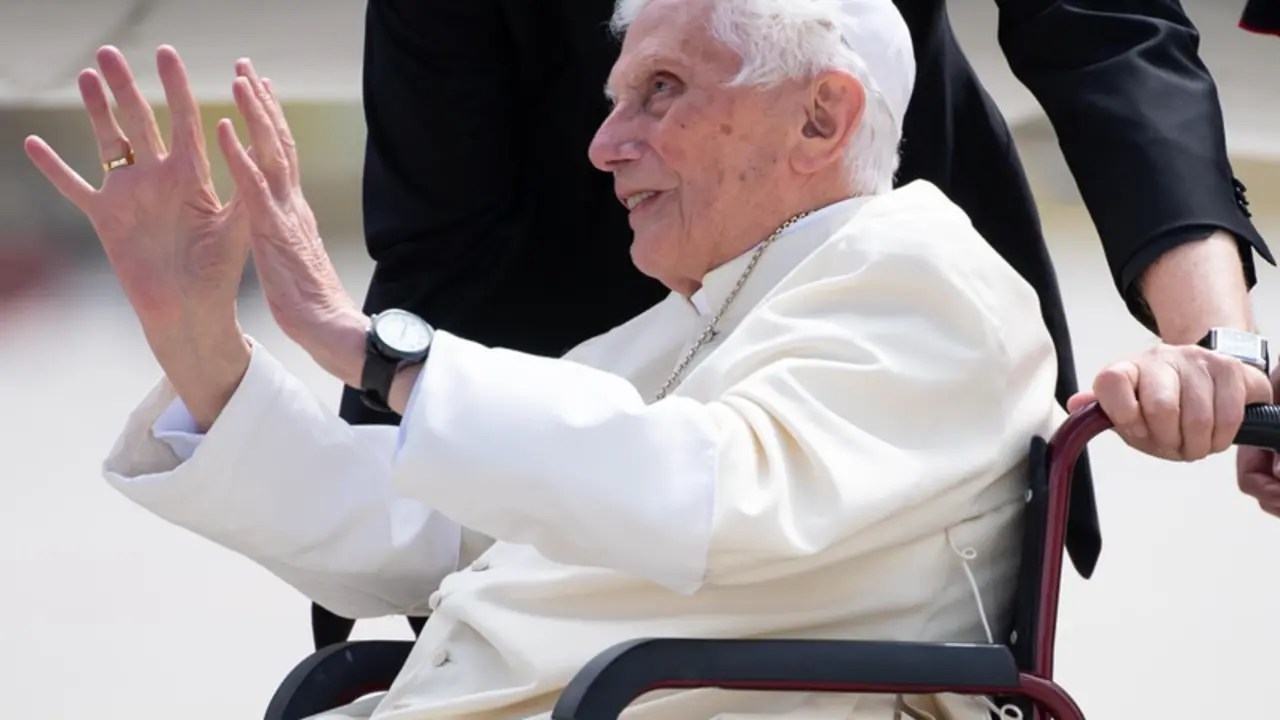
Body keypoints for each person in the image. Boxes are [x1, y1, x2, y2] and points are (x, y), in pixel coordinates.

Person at [32, 1, 1072, 716]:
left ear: (819, 115)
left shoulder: (926, 275)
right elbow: (419, 522)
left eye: (659, 91)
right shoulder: (689, 322)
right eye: (614, 99)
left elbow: (718, 493)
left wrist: (374, 350)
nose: (603, 143)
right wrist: (198, 336)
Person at [346, 2, 1274, 639]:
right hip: (564, 320)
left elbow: (1103, 30)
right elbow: (441, 239)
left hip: (873, 290)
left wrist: (1219, 351)